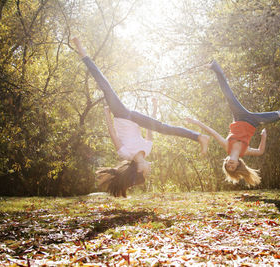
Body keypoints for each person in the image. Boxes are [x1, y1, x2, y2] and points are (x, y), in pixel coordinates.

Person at [72, 37, 209, 197]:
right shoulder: (147, 149)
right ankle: (199, 137)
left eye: (145, 173)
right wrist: (155, 107)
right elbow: (152, 128)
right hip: (134, 117)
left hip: (122, 116)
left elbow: (113, 134)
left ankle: (82, 52)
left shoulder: (126, 154)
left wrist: (106, 114)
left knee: (106, 87)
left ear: (138, 169)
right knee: (165, 129)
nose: (149, 171)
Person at [186, 60, 280, 187]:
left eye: (228, 165)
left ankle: (215, 67)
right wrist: (263, 136)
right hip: (254, 121)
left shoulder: (226, 146)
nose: (230, 165)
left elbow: (212, 132)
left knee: (228, 94)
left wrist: (195, 122)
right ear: (238, 165)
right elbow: (260, 152)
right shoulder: (244, 151)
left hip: (239, 116)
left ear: (226, 161)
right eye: (232, 167)